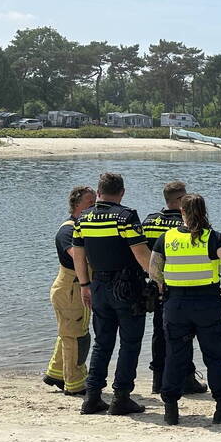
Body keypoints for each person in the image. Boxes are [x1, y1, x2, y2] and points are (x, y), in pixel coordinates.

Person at [150, 193, 221, 426]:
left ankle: (171, 409)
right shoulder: (214, 238)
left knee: (174, 356)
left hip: (175, 304)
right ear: (204, 211)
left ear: (182, 212)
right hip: (207, 303)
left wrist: (163, 287)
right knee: (214, 357)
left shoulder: (167, 238)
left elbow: (153, 269)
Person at [72, 173, 152, 415]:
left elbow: (78, 255)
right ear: (122, 192)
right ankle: (121, 398)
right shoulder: (125, 216)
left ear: (98, 192)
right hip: (127, 287)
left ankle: (92, 397)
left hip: (98, 286)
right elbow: (141, 254)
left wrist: (85, 285)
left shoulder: (83, 218)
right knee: (129, 343)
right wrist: (159, 279)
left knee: (102, 343)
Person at [141, 181, 207, 396]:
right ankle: (186, 378)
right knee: (183, 336)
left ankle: (157, 380)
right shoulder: (187, 224)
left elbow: (144, 253)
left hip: (155, 286)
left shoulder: (149, 221)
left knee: (159, 334)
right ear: (180, 201)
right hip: (179, 288)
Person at [43, 185, 96, 396]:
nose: (93, 206)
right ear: (76, 205)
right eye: (89, 203)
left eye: (95, 202)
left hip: (71, 287)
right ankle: (75, 384)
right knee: (76, 337)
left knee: (67, 332)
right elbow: (79, 257)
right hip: (72, 288)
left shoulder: (80, 226)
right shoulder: (68, 230)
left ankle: (56, 374)